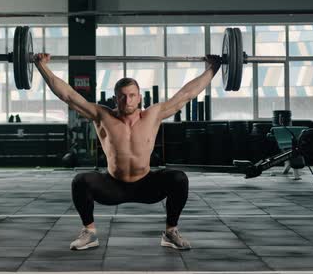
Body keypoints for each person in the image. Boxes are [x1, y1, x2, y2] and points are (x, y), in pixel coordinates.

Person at [34, 53, 221, 251]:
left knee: (179, 178)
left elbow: (187, 94)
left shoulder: (153, 115)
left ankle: (170, 232)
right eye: (122, 96)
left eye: (132, 95)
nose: (128, 100)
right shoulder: (101, 115)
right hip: (112, 186)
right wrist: (41, 66)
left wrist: (213, 69)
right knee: (81, 181)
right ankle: (89, 233)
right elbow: (68, 96)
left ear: (139, 97)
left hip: (147, 185)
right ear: (116, 98)